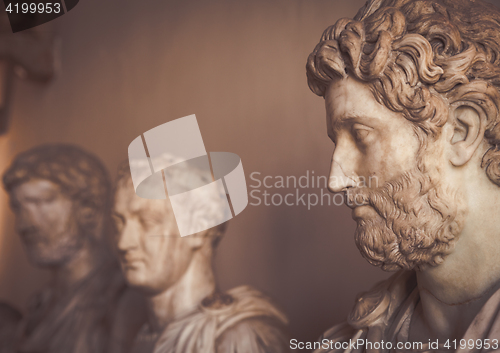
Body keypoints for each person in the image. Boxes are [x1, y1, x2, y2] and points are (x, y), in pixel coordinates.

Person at [306, 0, 500, 351]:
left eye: (361, 136)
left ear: (461, 131)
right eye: (338, 141)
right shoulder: (349, 344)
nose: (336, 180)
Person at [113, 156, 289, 353]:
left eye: (148, 221)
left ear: (198, 228)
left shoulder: (238, 339)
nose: (123, 243)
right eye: (119, 223)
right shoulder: (142, 338)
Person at [3, 143, 145, 353]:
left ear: (88, 208)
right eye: (18, 208)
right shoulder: (41, 304)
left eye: (41, 202)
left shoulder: (122, 302)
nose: (24, 225)